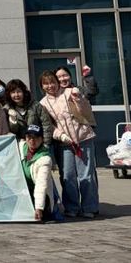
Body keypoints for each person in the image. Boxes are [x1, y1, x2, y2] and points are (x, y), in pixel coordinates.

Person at [39, 70, 98, 218]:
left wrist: (79, 99)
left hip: (83, 138)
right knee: (67, 176)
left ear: (57, 82)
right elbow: (49, 126)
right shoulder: (43, 103)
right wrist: (61, 136)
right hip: (64, 143)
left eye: (52, 82)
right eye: (46, 84)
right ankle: (72, 207)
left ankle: (90, 207)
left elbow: (85, 112)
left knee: (86, 175)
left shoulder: (70, 92)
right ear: (42, 86)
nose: (50, 86)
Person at [19, 124, 57, 222]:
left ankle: (46, 209)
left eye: (36, 137)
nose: (32, 140)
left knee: (38, 215)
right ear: (25, 138)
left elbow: (41, 185)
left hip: (39, 194)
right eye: (29, 137)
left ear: (41, 139)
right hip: (23, 191)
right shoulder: (21, 147)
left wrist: (39, 208)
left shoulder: (45, 159)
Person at [5, 79, 53, 146]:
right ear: (9, 94)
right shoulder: (6, 109)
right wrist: (13, 121)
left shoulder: (35, 105)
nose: (16, 95)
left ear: (24, 92)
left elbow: (46, 124)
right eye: (13, 92)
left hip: (40, 143)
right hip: (20, 145)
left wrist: (46, 143)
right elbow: (10, 131)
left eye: (19, 91)